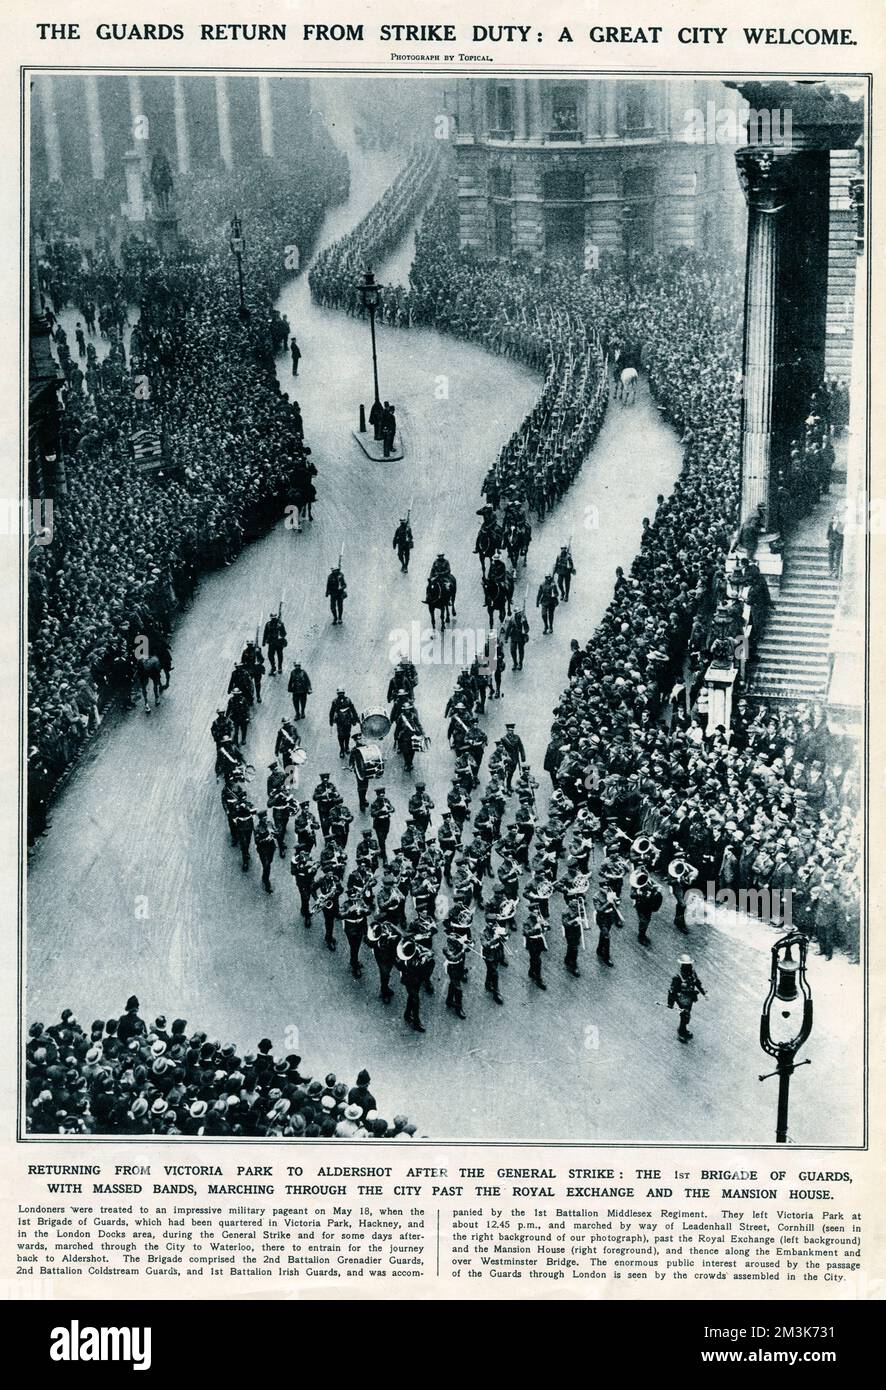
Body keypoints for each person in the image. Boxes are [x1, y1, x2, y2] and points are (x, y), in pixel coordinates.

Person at [668, 954, 706, 1042]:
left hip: (690, 998)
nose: (688, 967)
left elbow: (697, 983)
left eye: (689, 965)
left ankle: (683, 1028)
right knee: (685, 1015)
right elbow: (672, 991)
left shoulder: (693, 973)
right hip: (682, 998)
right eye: (686, 965)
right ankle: (681, 1031)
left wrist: (704, 993)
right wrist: (670, 1003)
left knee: (687, 1015)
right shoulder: (678, 977)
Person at [330, 689, 359, 758]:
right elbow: (332, 711)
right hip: (339, 721)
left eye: (342, 693)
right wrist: (331, 720)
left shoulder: (348, 700)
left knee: (347, 735)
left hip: (348, 720)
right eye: (339, 693)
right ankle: (342, 750)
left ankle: (346, 747)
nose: (341, 695)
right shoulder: (335, 701)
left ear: (344, 693)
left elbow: (353, 710)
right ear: (337, 694)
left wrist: (356, 718)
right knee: (340, 736)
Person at [444, 937, 468, 1019]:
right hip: (453, 970)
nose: (450, 946)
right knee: (458, 990)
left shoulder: (458, 946)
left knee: (453, 985)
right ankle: (458, 1008)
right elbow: (453, 958)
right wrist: (462, 951)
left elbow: (466, 948)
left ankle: (449, 1000)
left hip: (459, 968)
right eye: (449, 944)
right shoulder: (446, 950)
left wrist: (466, 944)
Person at [524, 912, 548, 989]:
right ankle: (538, 978)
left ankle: (531, 971)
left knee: (535, 957)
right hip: (532, 942)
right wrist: (535, 928)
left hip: (539, 941)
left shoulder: (539, 920)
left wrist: (545, 925)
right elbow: (526, 933)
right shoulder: (527, 922)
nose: (538, 917)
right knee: (537, 960)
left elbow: (547, 928)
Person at [255, 811, 277, 894]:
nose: (265, 819)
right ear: (260, 819)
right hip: (263, 850)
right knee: (266, 865)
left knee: (269, 862)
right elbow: (257, 841)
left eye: (266, 817)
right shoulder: (257, 828)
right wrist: (266, 839)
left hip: (271, 848)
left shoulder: (270, 824)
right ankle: (267, 882)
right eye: (263, 818)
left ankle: (264, 876)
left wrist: (274, 833)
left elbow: (277, 831)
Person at [262, 612, 287, 676]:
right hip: (271, 642)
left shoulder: (280, 624)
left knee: (280, 655)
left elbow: (284, 633)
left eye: (274, 618)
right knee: (270, 655)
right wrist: (263, 641)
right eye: (272, 618)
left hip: (279, 642)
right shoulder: (268, 624)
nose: (273, 619)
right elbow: (265, 633)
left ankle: (279, 667)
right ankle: (273, 667)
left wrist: (281, 635)